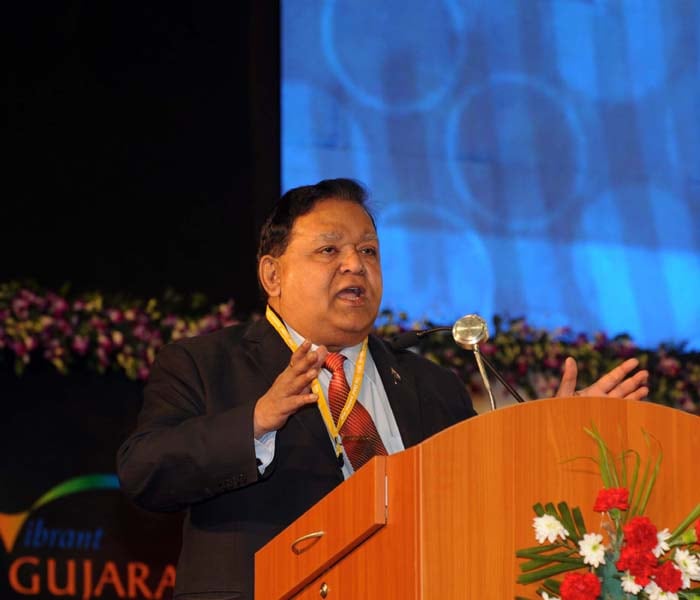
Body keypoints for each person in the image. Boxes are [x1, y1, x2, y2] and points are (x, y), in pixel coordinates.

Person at [116, 178, 649, 599]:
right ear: (272, 276)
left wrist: (546, 434)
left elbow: (478, 496)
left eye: (368, 251)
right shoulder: (205, 364)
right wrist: (257, 420)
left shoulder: (429, 384)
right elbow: (145, 471)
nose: (355, 265)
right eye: (329, 250)